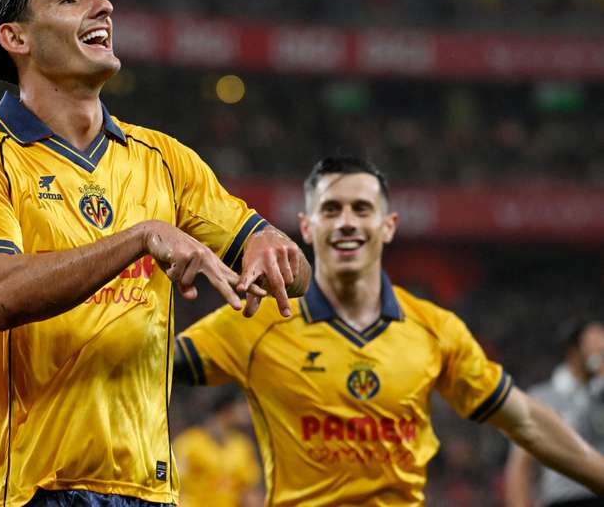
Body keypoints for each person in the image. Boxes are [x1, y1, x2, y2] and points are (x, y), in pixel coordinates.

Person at [0, 0, 309, 507]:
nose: (103, 6)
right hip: (36, 490)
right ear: (17, 37)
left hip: (150, 492)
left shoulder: (164, 158)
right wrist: (141, 237)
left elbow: (295, 275)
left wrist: (272, 248)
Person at [172, 156, 604, 505]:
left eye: (362, 209)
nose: (346, 222)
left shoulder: (435, 328)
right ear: (306, 226)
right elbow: (151, 362)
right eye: (331, 210)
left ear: (389, 225)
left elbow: (525, 420)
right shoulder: (259, 321)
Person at [505, 320, 604, 507]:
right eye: (595, 345)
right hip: (566, 498)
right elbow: (520, 465)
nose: (602, 350)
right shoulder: (543, 398)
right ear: (574, 352)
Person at [172, 388, 262, 507]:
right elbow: (171, 486)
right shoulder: (188, 443)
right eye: (242, 405)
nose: (248, 411)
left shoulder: (243, 446)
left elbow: (248, 490)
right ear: (227, 409)